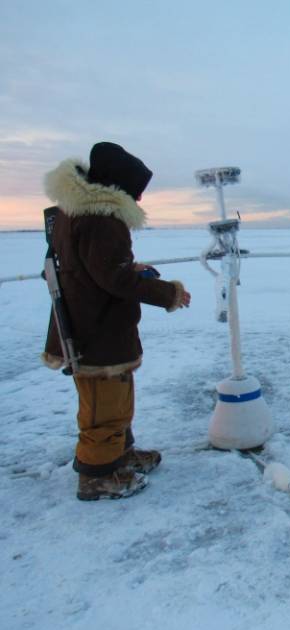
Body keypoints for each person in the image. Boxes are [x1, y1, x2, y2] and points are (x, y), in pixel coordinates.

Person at [42, 142, 192, 500]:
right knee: (102, 405)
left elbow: (95, 267)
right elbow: (114, 279)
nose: (138, 202)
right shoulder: (101, 219)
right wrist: (168, 292)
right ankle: (96, 476)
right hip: (96, 330)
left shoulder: (77, 212)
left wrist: (128, 269)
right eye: (135, 193)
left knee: (116, 397)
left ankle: (118, 455)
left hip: (96, 324)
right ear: (119, 187)